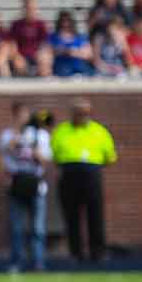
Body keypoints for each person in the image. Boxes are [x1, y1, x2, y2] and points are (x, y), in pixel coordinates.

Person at [51, 99, 117, 263]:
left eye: (85, 113)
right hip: (69, 174)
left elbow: (110, 157)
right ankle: (76, 253)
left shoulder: (99, 131)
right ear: (72, 114)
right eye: (79, 113)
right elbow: (55, 156)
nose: (82, 116)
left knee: (95, 214)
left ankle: (97, 252)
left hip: (91, 175)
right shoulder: (62, 131)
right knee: (71, 215)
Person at [0, 103, 51, 272]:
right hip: (16, 181)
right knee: (16, 226)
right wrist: (18, 134)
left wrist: (34, 150)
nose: (23, 118)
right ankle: (17, 261)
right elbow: (6, 150)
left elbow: (46, 160)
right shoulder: (8, 134)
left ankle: (38, 262)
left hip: (36, 183)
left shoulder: (40, 135)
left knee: (37, 227)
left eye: (25, 115)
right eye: (19, 115)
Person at [10, 0, 53, 76]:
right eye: (27, 7)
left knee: (45, 59)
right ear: (23, 8)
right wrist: (16, 55)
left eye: (31, 7)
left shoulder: (41, 24)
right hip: (21, 55)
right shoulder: (16, 24)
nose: (29, 10)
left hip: (37, 56)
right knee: (18, 62)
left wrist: (42, 54)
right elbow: (12, 43)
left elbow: (46, 44)